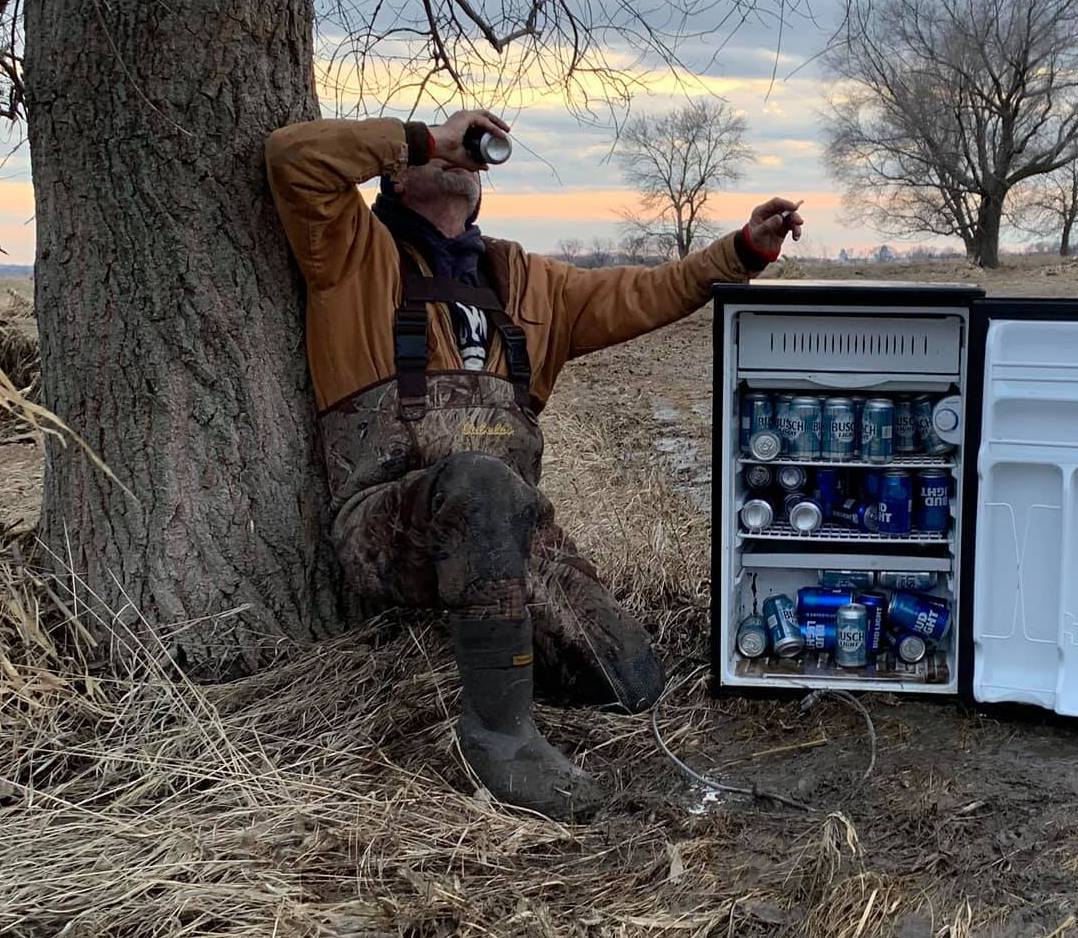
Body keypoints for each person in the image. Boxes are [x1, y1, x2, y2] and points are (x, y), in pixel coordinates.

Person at [266, 110, 803, 820]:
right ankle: (498, 735)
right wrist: (424, 137)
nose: (460, 158)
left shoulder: (528, 281)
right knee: (480, 482)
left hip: (514, 532)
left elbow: (648, 291)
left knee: (630, 677)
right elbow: (290, 157)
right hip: (388, 523)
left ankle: (493, 644)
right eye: (440, 149)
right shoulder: (351, 252)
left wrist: (742, 251)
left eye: (469, 155)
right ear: (395, 170)